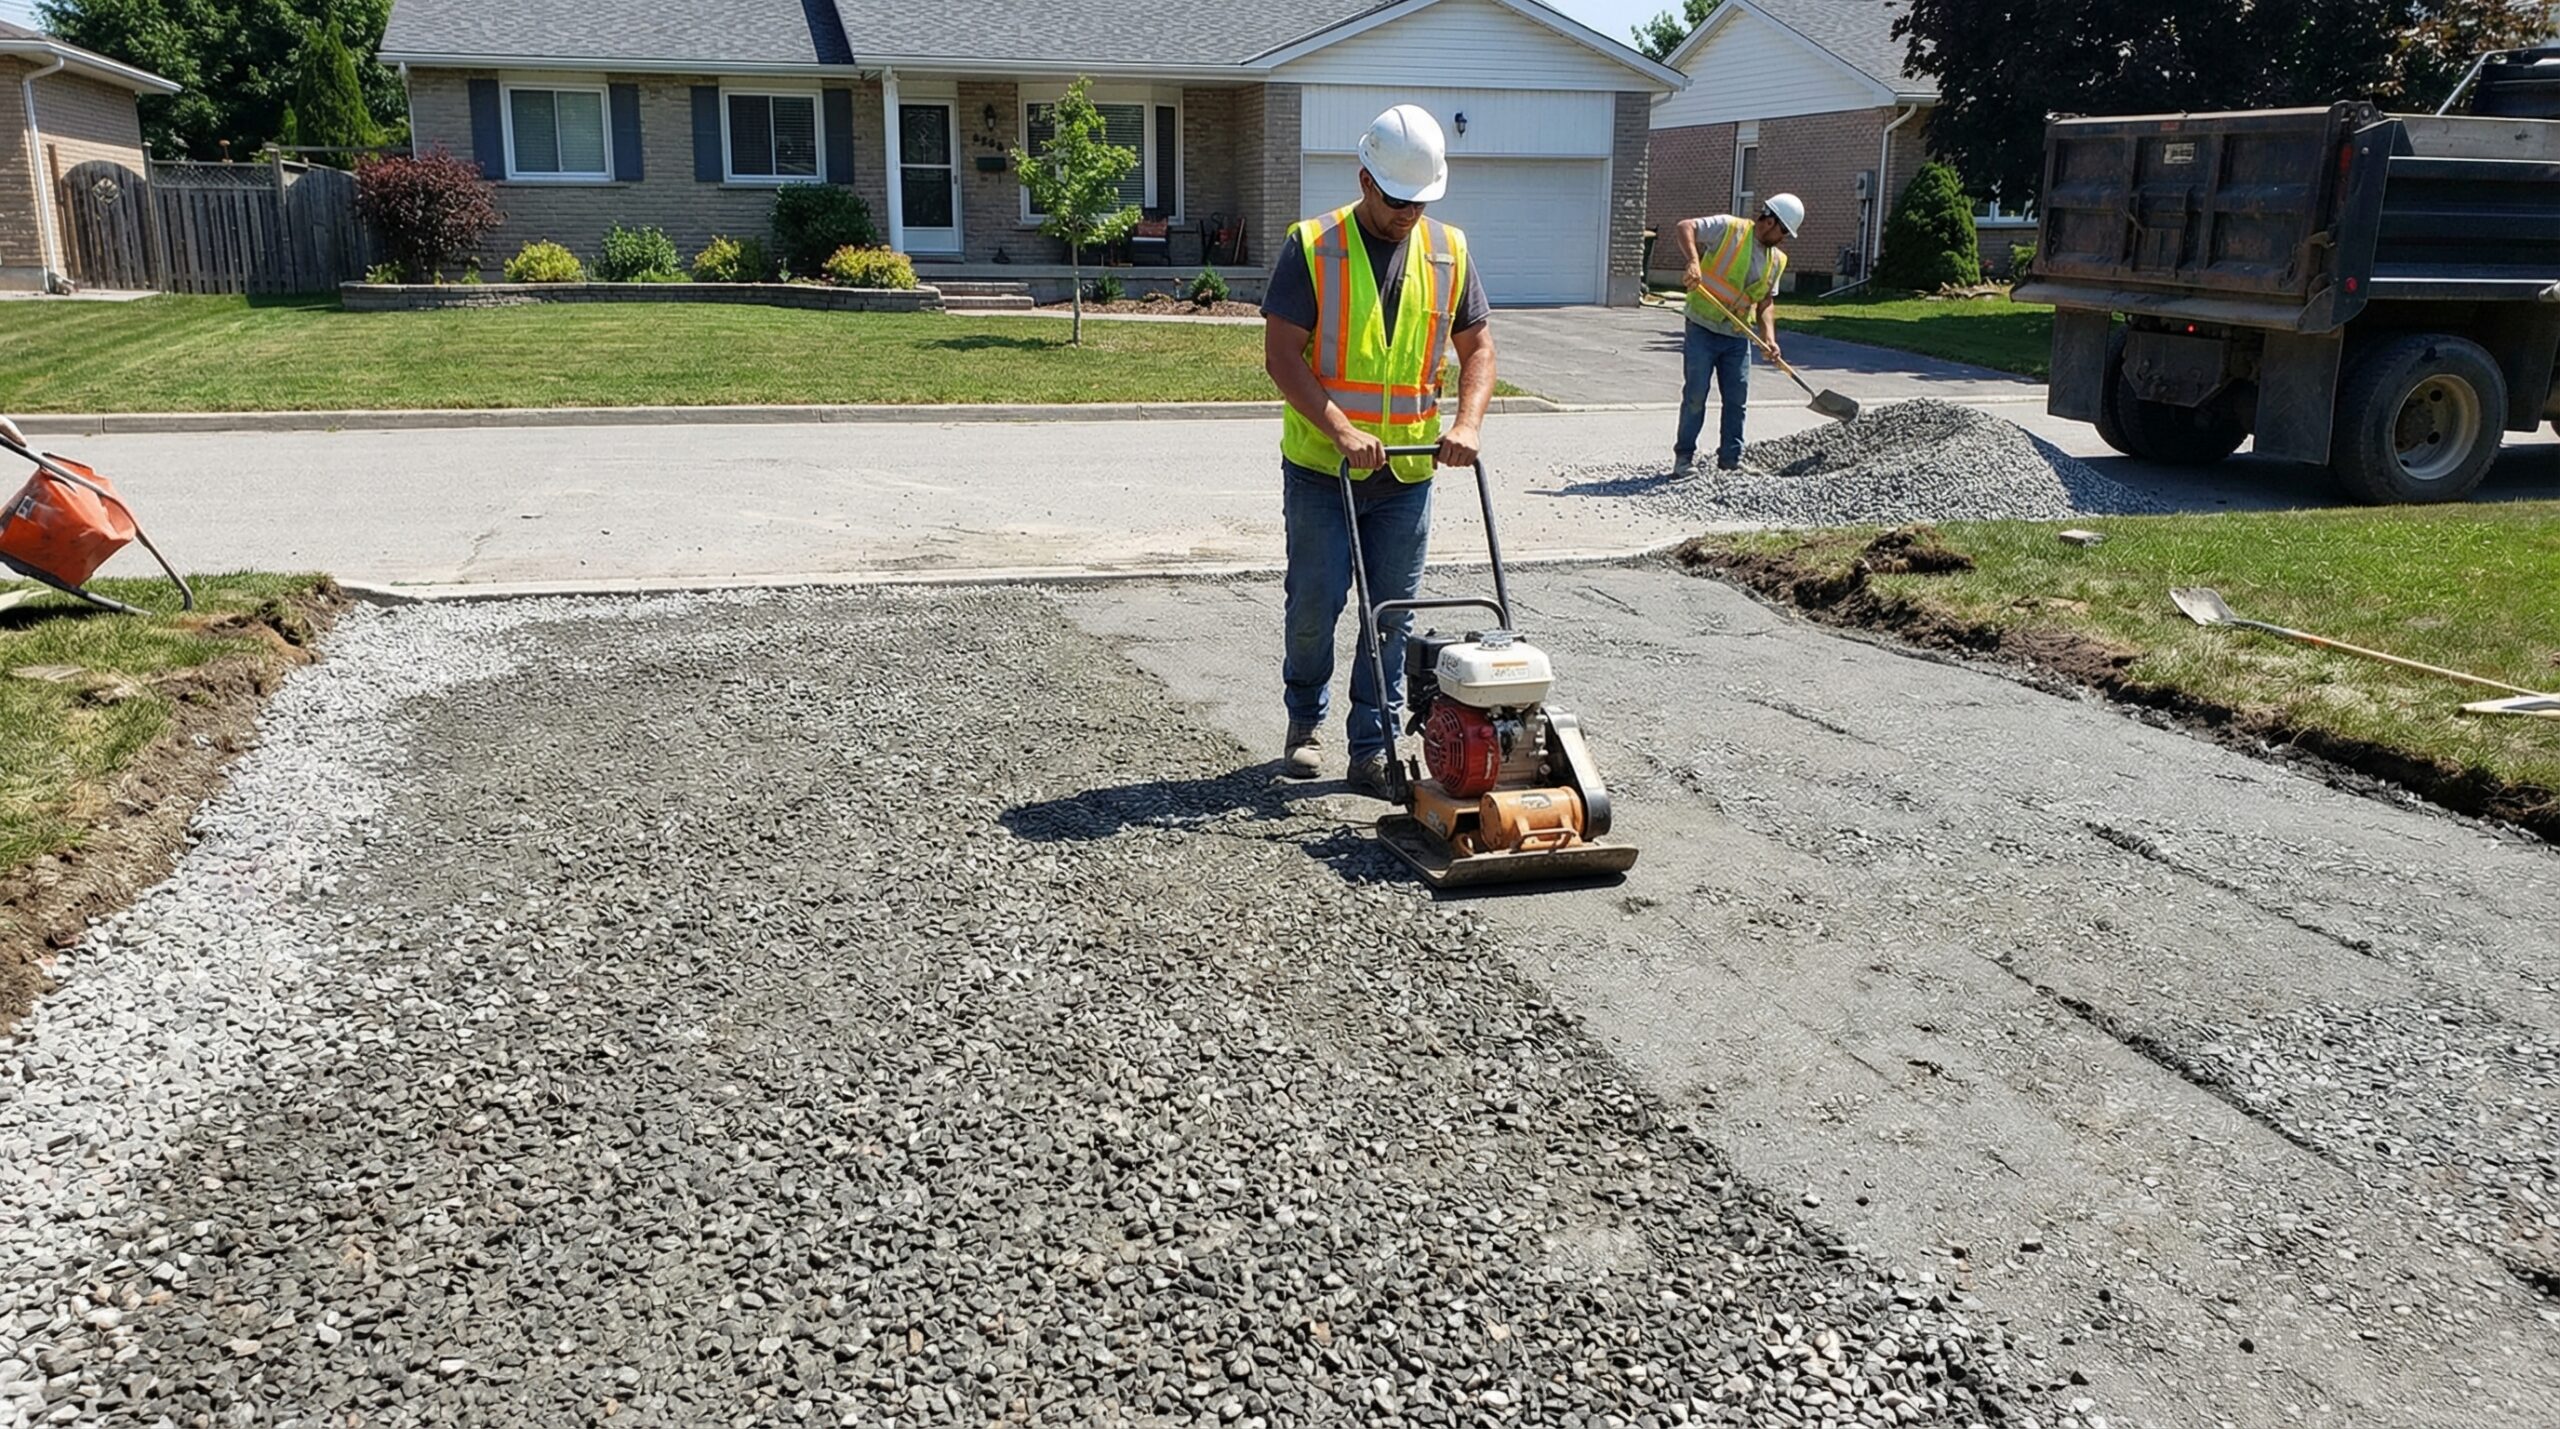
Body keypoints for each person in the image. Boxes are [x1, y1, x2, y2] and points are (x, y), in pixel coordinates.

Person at [1261, 104, 1495, 798]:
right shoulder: (1313, 245)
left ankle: (1373, 746)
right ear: (1365, 179)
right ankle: (1305, 721)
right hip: (1322, 468)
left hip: (1408, 473)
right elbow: (1280, 354)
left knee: (1391, 614)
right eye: (1396, 200)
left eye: (1421, 200)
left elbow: (1478, 346)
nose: (1408, 214)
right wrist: (1340, 429)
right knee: (1314, 604)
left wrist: (1469, 423)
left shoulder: (1449, 250)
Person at [1671, 193, 1802, 476]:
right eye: (1783, 231)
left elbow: (1766, 301)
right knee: (1695, 393)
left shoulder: (1777, 260)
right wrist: (1693, 262)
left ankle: (1730, 460)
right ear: (1769, 221)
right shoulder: (1730, 229)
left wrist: (1769, 338)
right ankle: (1683, 459)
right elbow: (1685, 226)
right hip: (1702, 327)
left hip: (1736, 335)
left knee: (1736, 399)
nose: (1784, 239)